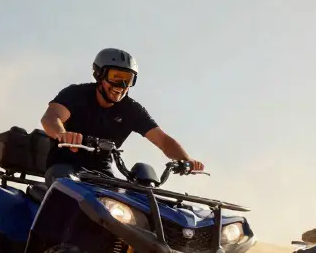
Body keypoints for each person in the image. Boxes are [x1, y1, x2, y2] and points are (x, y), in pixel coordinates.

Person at [39, 48, 204, 184]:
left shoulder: (131, 109)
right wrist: (62, 134)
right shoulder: (76, 94)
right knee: (66, 190)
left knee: (133, 201)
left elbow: (163, 140)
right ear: (99, 75)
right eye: (116, 78)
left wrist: (187, 160)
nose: (122, 86)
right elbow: (51, 117)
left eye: (128, 79)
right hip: (65, 167)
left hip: (102, 174)